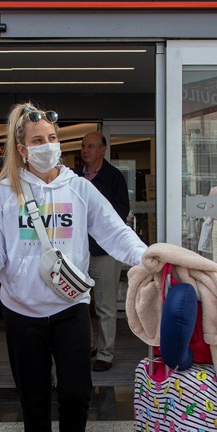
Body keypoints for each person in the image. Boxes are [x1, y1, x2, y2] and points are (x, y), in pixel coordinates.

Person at [0, 103, 147, 432]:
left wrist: (147, 257)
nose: (48, 146)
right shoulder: (4, 192)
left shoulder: (78, 188)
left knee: (76, 393)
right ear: (22, 148)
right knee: (33, 397)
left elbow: (114, 232)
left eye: (52, 138)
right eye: (38, 140)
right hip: (21, 311)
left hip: (70, 308)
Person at [76, 130, 130, 372]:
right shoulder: (74, 177)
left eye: (90, 146)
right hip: (78, 252)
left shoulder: (114, 177)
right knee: (78, 302)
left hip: (105, 252)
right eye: (83, 146)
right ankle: (89, 345)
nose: (85, 150)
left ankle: (105, 354)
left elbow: (120, 213)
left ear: (102, 150)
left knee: (105, 306)